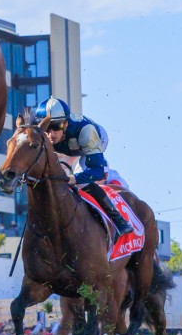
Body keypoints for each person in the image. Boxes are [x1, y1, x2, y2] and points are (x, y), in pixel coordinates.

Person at [35, 96, 132, 236]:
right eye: (46, 128)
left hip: (93, 142)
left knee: (82, 182)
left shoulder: (87, 132)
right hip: (68, 148)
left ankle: (118, 220)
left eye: (56, 127)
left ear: (66, 125)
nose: (51, 134)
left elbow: (97, 171)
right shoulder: (42, 135)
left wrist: (73, 179)